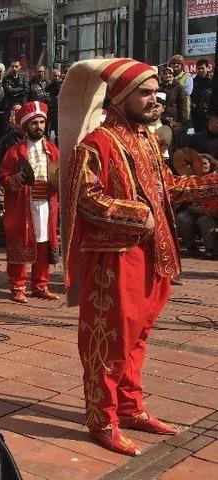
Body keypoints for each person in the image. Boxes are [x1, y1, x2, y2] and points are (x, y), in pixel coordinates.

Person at [59, 58, 218, 457]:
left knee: (137, 339)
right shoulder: (95, 144)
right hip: (115, 258)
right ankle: (103, 418)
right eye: (145, 93)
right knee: (109, 341)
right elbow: (86, 200)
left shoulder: (146, 139)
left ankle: (130, 408)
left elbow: (166, 189)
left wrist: (212, 183)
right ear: (122, 96)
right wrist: (138, 214)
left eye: (156, 93)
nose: (155, 100)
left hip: (154, 255)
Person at [0, 101, 59, 303]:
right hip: (23, 204)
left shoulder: (52, 150)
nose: (39, 126)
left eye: (42, 122)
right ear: (26, 126)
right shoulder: (15, 152)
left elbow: (60, 175)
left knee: (43, 243)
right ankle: (18, 286)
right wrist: (16, 180)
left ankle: (40, 285)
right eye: (35, 123)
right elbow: (4, 178)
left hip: (46, 204)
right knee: (21, 243)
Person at [175, 154, 218, 258]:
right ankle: (191, 247)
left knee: (204, 220)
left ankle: (211, 249)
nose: (202, 166)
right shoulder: (189, 179)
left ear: (211, 164)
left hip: (211, 212)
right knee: (182, 217)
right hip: (192, 210)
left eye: (205, 163)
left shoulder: (216, 179)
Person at [0, 103, 24, 176]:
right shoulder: (5, 139)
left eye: (20, 111)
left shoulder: (32, 136)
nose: (18, 114)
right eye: (15, 111)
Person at [160, 66, 189, 137]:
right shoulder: (159, 88)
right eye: (165, 74)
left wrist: (182, 122)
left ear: (173, 75)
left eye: (170, 73)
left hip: (174, 120)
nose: (167, 75)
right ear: (162, 75)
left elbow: (182, 106)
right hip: (160, 120)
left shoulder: (178, 88)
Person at [191, 59, 212, 133]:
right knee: (199, 137)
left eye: (202, 68)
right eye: (199, 68)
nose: (201, 70)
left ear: (207, 68)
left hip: (209, 115)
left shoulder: (212, 81)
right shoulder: (193, 81)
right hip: (196, 115)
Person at [45, 68, 63, 141]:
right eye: (55, 76)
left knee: (58, 131)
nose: (57, 78)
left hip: (59, 111)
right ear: (51, 76)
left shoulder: (61, 85)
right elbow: (46, 89)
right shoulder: (50, 84)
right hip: (50, 109)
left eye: (58, 76)